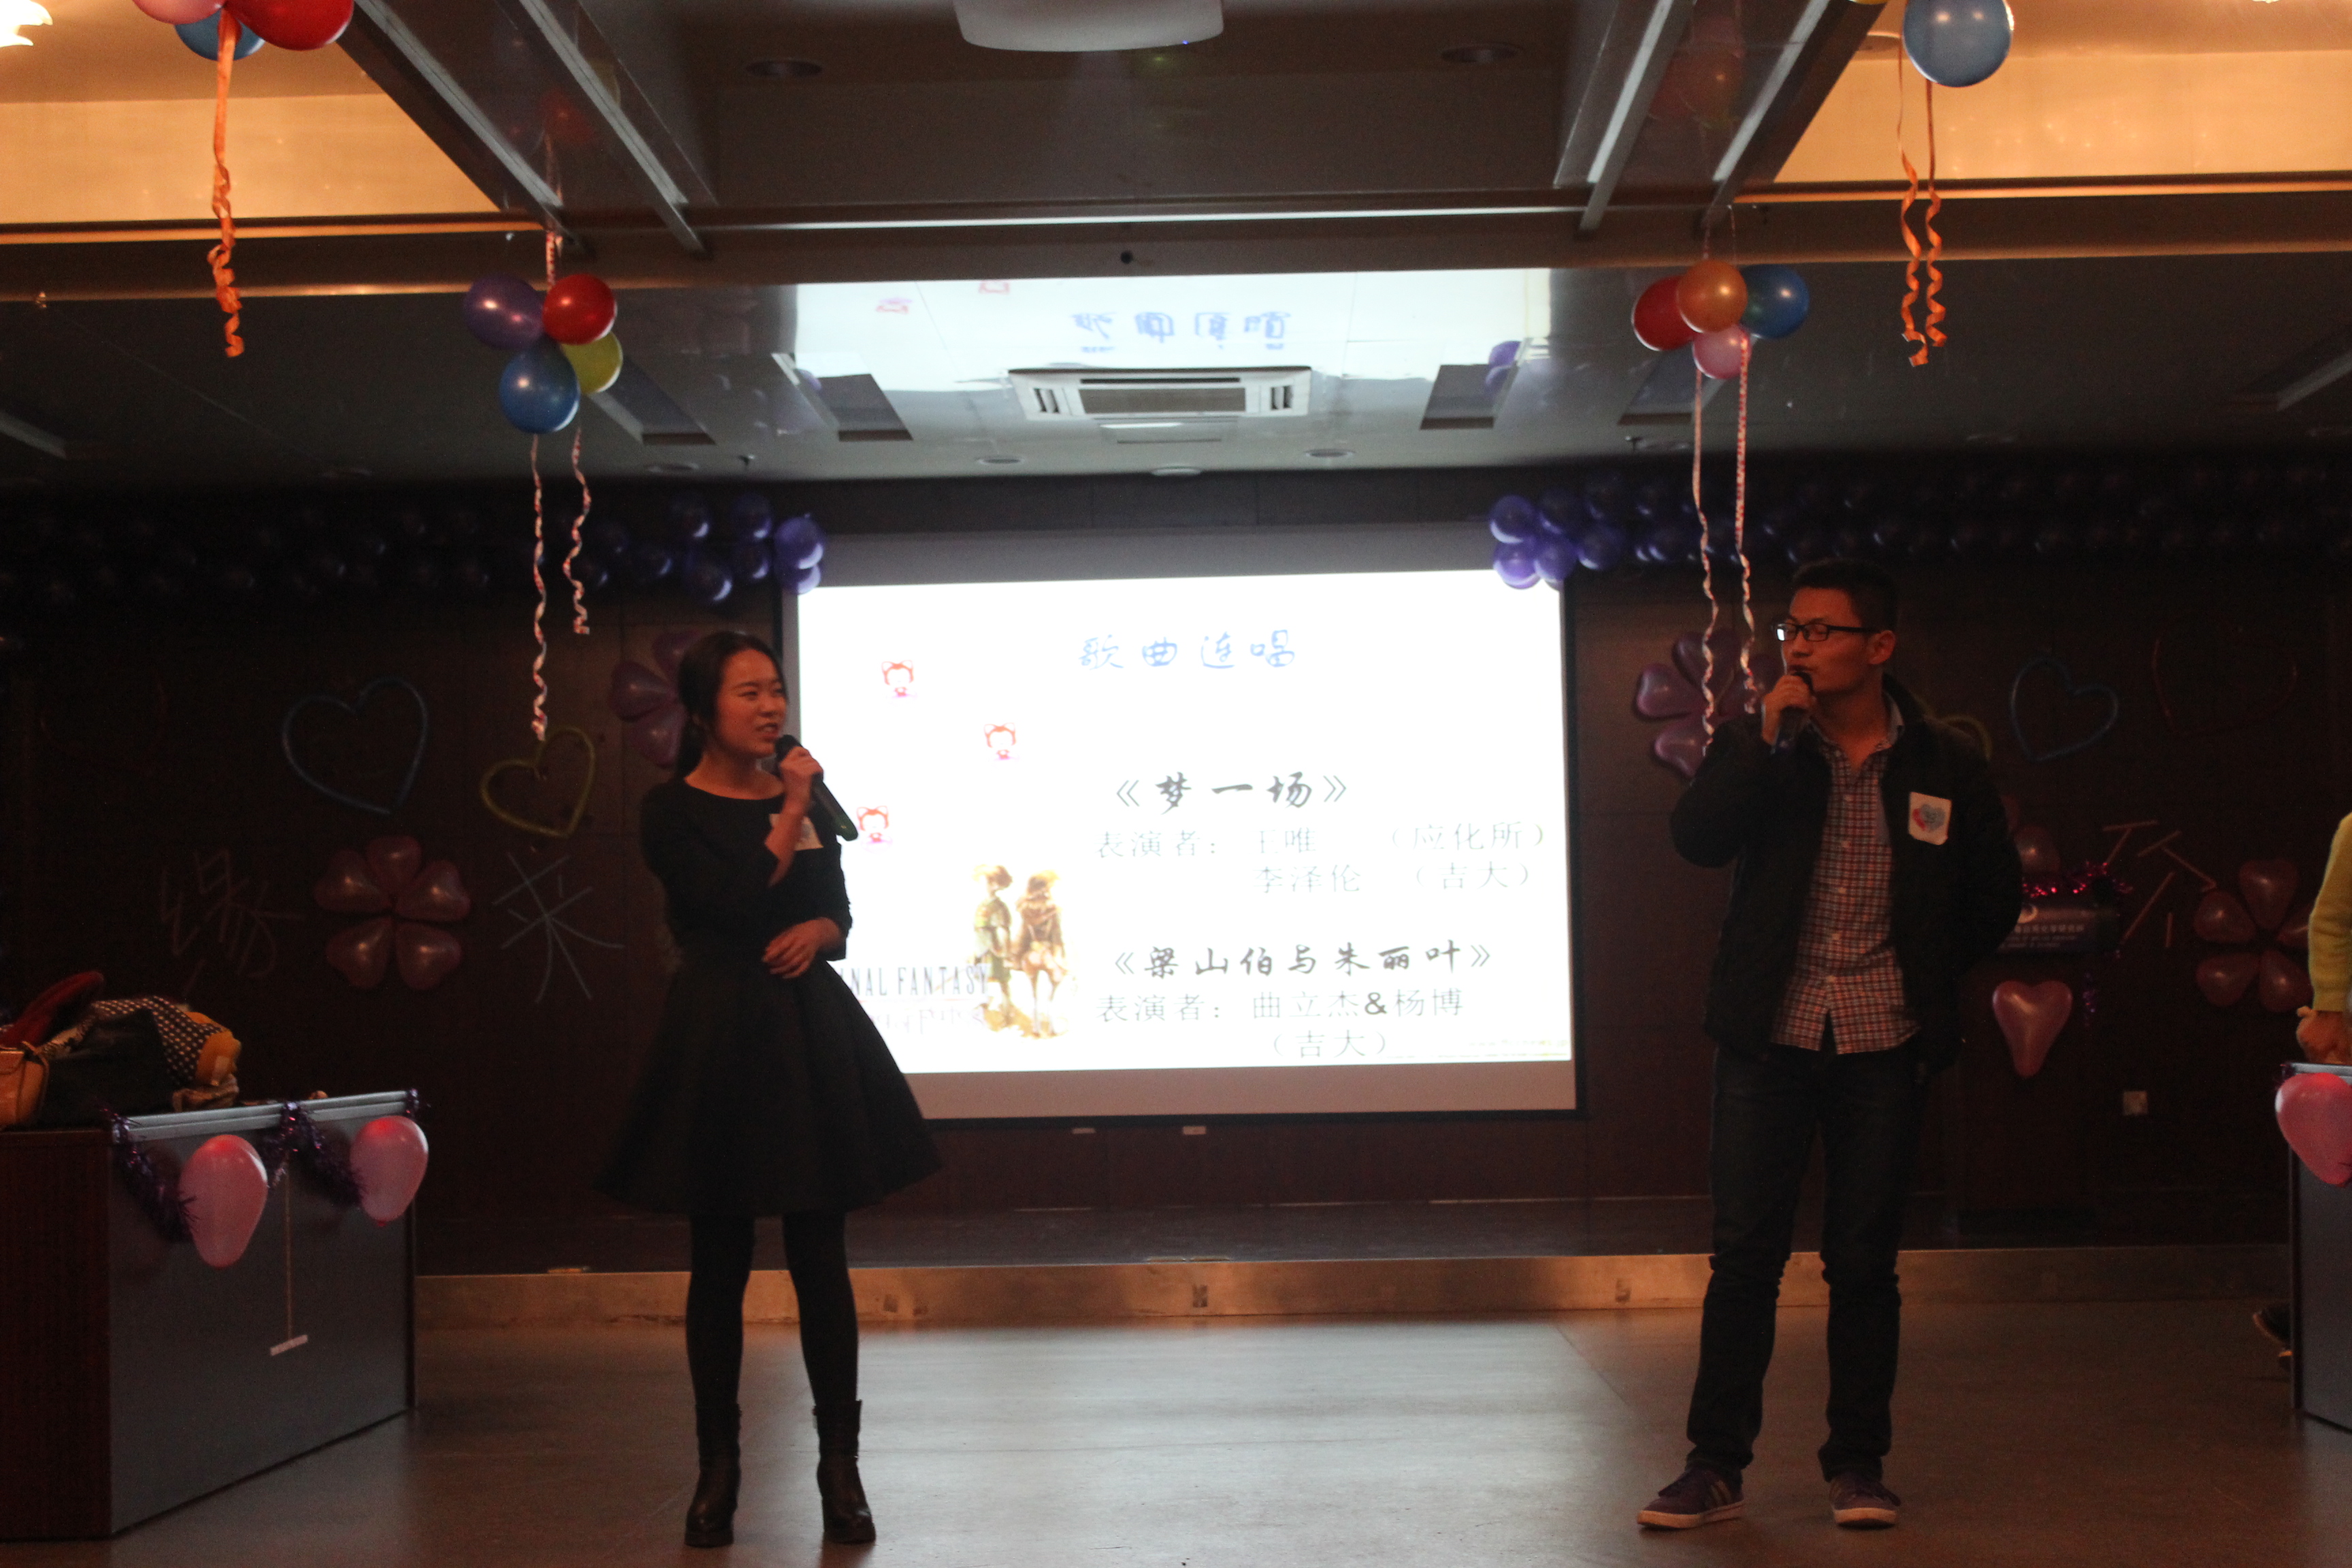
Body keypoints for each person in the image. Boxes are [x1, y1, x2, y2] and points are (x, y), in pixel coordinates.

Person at [1639, 559, 2021, 1533]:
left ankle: (1858, 1465)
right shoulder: (1763, 747)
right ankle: (1714, 1466)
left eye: (1822, 631)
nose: (1800, 647)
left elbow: (1994, 896)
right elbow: (1696, 840)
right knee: (1744, 1258)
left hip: (1884, 1040)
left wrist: (1924, 968)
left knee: (1863, 1263)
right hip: (1769, 1037)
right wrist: (1761, 738)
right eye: (1792, 631)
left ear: (1879, 646)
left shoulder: (1943, 764)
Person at [598, 630, 941, 1550]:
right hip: (719, 1035)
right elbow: (731, 901)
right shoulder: (670, 809)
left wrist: (823, 931)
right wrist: (789, 807)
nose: (771, 707)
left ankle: (841, 1466)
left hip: (805, 1035)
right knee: (719, 1258)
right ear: (702, 710)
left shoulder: (808, 802)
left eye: (776, 690)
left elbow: (839, 914)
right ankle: (719, 1468)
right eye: (749, 692)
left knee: (820, 1254)